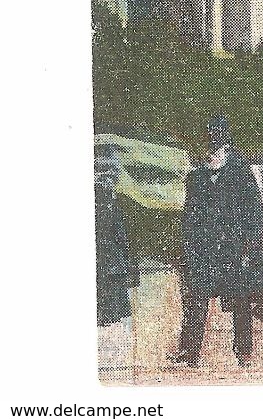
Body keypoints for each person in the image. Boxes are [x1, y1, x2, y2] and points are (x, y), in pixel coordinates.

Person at [172, 116, 263, 368]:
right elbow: (189, 218)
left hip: (235, 249)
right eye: (208, 141)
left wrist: (251, 246)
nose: (212, 146)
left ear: (226, 142)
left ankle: (244, 351)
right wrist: (188, 249)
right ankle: (190, 352)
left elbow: (256, 212)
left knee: (241, 302)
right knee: (196, 299)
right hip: (204, 250)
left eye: (217, 140)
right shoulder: (196, 176)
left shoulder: (241, 171)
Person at [96, 146, 139, 376]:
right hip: (108, 267)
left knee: (117, 314)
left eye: (112, 175)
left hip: (114, 267)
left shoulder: (112, 200)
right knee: (111, 316)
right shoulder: (104, 201)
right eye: (105, 175)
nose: (109, 179)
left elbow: (122, 238)